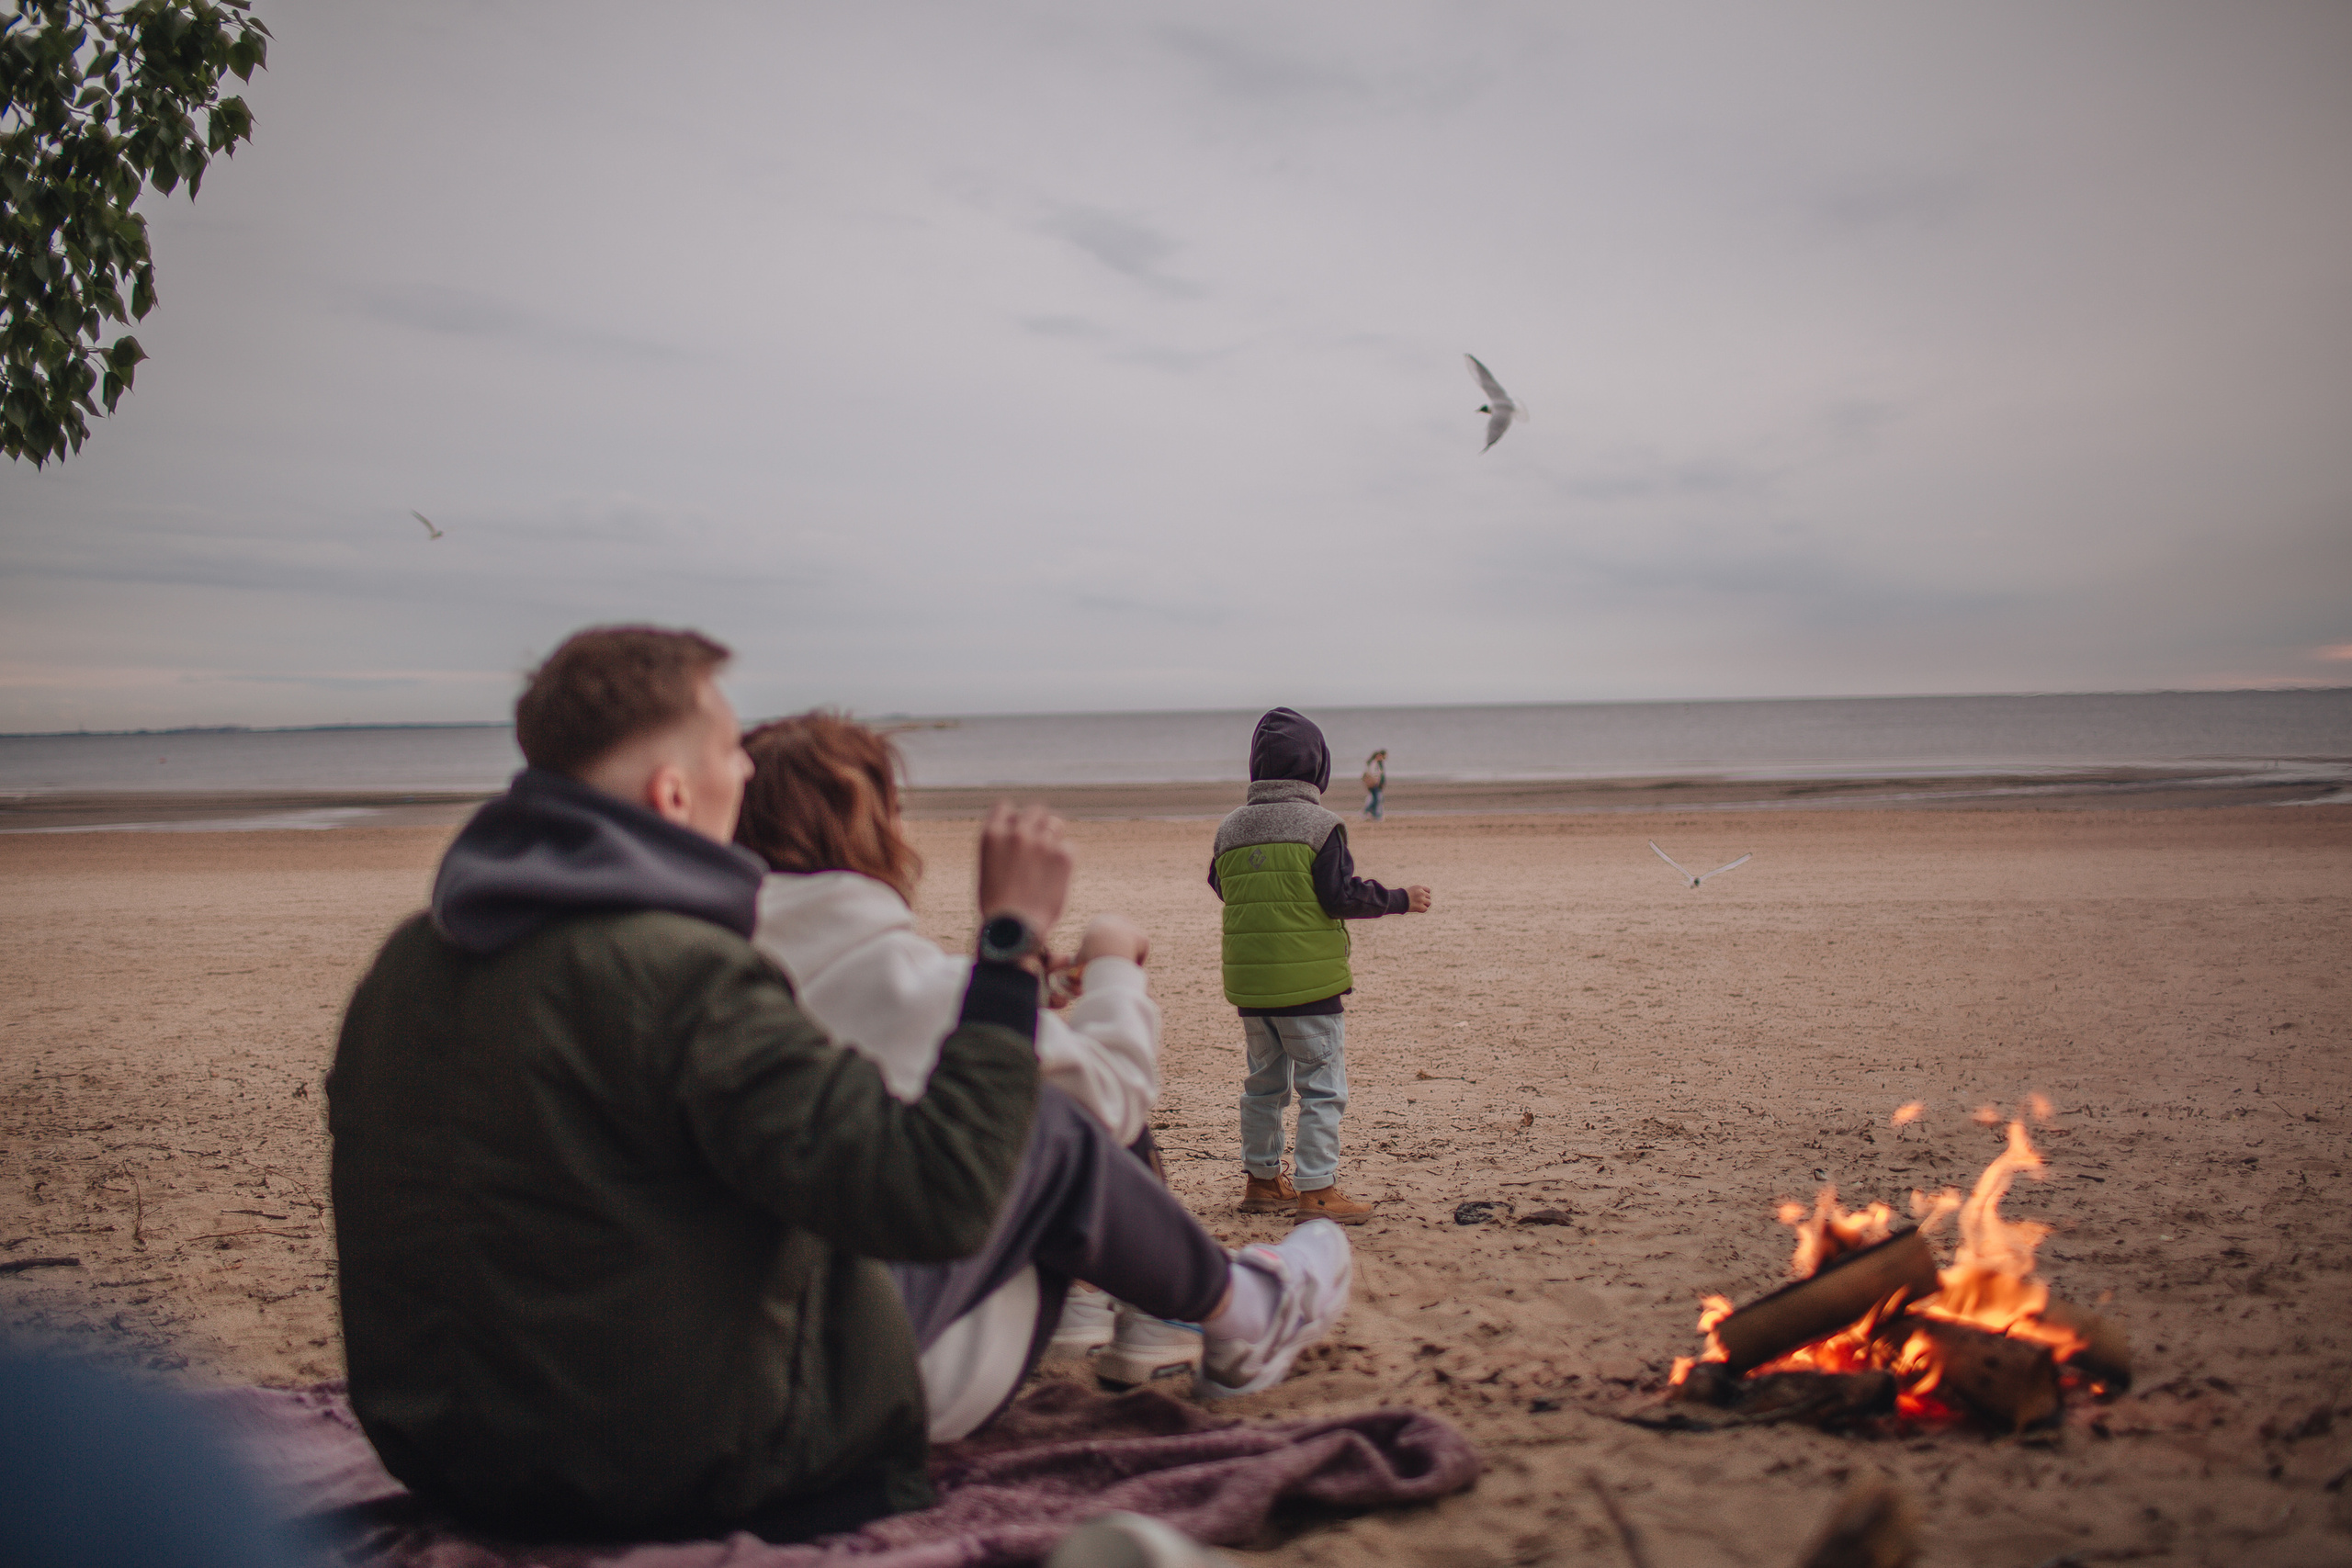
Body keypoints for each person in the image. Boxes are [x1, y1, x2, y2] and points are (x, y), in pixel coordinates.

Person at [327, 626, 1352, 1545]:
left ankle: (1205, 1301)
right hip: (684, 1458)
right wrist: (1005, 947)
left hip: (454, 1451)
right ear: (674, 794)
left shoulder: (410, 963)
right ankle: (1244, 1308)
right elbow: (940, 1196)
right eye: (730, 749)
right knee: (1040, 1128)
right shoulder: (675, 970)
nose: (744, 771)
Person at [733, 711, 1201, 1393]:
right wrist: (1114, 969)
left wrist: (1020, 992)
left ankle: (1084, 1302)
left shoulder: (714, 971)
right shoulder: (915, 983)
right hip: (904, 1362)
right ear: (876, 826)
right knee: (1057, 1097)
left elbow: (894, 1024)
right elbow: (1117, 1099)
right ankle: (1156, 1311)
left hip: (759, 1330)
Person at [1210, 709, 1430, 1225]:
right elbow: (1339, 896)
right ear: (1318, 768)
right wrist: (1398, 898)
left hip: (1252, 987)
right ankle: (1317, 1188)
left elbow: (1223, 886)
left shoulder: (1230, 827)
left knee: (1263, 1085)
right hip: (1308, 984)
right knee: (1322, 1087)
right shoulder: (1320, 825)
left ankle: (1262, 1179)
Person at [1361, 750, 1387, 821]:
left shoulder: (1378, 764)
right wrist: (1376, 781)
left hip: (1376, 784)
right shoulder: (1374, 764)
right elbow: (1374, 774)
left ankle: (1372, 813)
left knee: (1376, 799)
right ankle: (1370, 813)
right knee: (1376, 799)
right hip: (1374, 784)